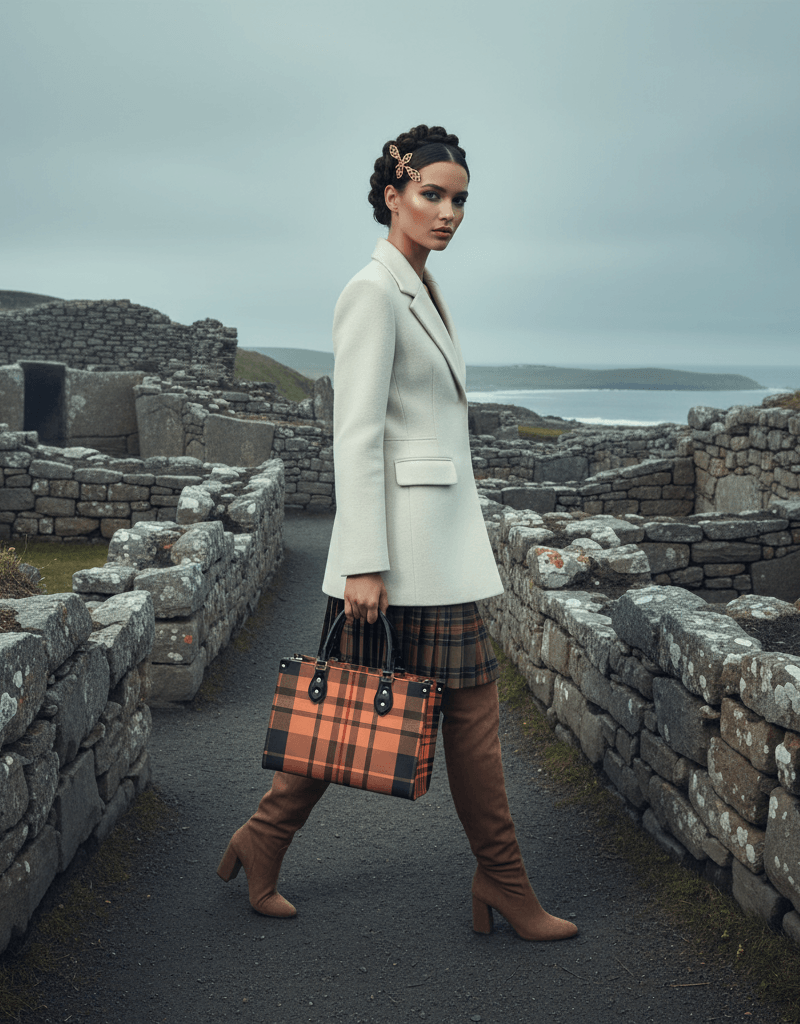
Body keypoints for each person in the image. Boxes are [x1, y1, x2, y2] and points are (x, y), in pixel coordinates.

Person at [218, 125, 577, 941]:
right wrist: (365, 563)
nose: (449, 213)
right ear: (392, 194)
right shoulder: (373, 290)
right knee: (357, 709)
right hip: (401, 556)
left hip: (436, 548)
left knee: (420, 710)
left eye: (460, 200)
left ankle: (492, 878)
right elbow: (357, 434)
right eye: (432, 195)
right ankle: (496, 881)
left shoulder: (420, 283)